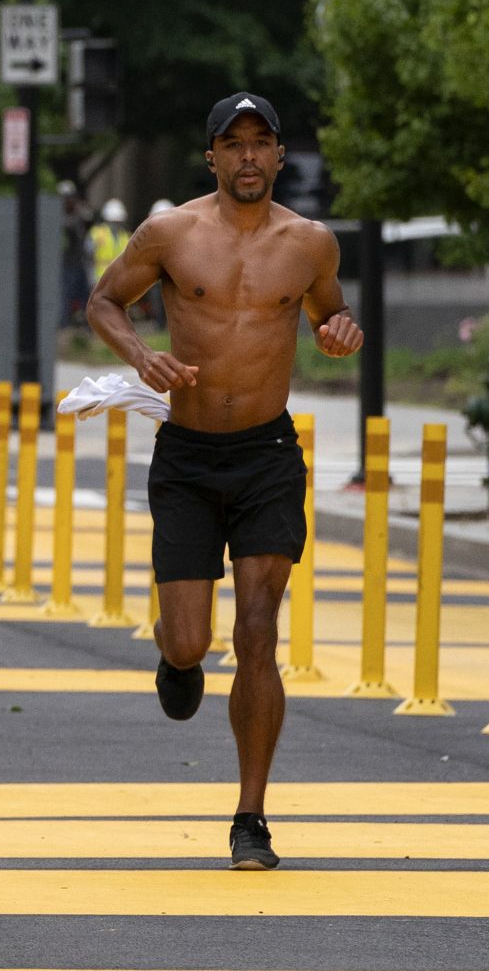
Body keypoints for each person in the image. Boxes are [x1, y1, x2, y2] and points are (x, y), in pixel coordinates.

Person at [85, 92, 362, 870]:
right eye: (233, 143)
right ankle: (176, 659)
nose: (247, 156)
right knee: (191, 639)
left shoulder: (310, 244)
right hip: (188, 455)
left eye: (260, 142)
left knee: (258, 632)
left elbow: (331, 317)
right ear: (211, 156)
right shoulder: (170, 233)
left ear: (279, 155)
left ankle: (251, 817)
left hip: (267, 455)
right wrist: (143, 357)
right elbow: (104, 301)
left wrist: (340, 332)